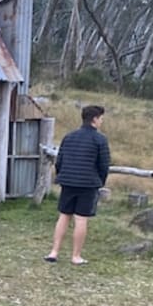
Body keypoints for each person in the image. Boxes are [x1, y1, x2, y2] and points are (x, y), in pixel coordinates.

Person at [45, 105, 110, 265]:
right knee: (81, 219)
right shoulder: (100, 139)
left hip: (68, 182)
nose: (101, 121)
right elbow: (103, 165)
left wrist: (63, 176)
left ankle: (54, 252)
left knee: (64, 216)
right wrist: (100, 182)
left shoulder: (69, 136)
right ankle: (76, 256)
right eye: (101, 118)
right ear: (95, 119)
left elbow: (59, 161)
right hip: (88, 184)